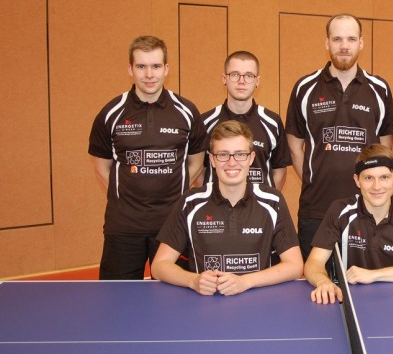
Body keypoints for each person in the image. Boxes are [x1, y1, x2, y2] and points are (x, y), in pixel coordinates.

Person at [88, 35, 206, 280]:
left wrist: (174, 192)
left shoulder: (187, 112)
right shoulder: (111, 113)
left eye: (156, 66)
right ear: (130, 69)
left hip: (173, 226)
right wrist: (127, 199)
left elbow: (196, 162)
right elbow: (102, 168)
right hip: (123, 227)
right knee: (116, 298)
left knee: (174, 298)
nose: (149, 74)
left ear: (166, 69)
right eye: (141, 66)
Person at [286, 13, 393, 259]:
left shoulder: (380, 89)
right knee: (314, 278)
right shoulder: (305, 87)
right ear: (327, 43)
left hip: (368, 210)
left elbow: (385, 151)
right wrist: (314, 178)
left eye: (351, 39)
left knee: (365, 279)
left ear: (361, 43)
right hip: (316, 210)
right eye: (337, 39)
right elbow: (294, 148)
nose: (344, 46)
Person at [151, 120, 303, 295]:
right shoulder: (190, 202)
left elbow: (295, 265)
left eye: (240, 154)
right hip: (205, 303)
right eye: (223, 155)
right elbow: (159, 265)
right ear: (212, 160)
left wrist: (245, 282)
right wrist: (192, 281)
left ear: (251, 158)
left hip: (258, 301)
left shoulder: (272, 201)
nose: (232, 162)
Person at [304, 144, 393, 304]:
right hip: (352, 300)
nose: (376, 186)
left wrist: (373, 275)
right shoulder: (340, 211)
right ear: (357, 180)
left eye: (384, 177)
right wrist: (323, 282)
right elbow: (314, 262)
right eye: (368, 178)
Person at [201, 50, 291, 189]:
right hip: (216, 203)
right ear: (224, 79)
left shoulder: (272, 122)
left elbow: (280, 171)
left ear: (257, 81)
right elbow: (200, 170)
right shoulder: (206, 122)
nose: (241, 81)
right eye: (235, 74)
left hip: (260, 203)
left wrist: (266, 199)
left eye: (249, 75)